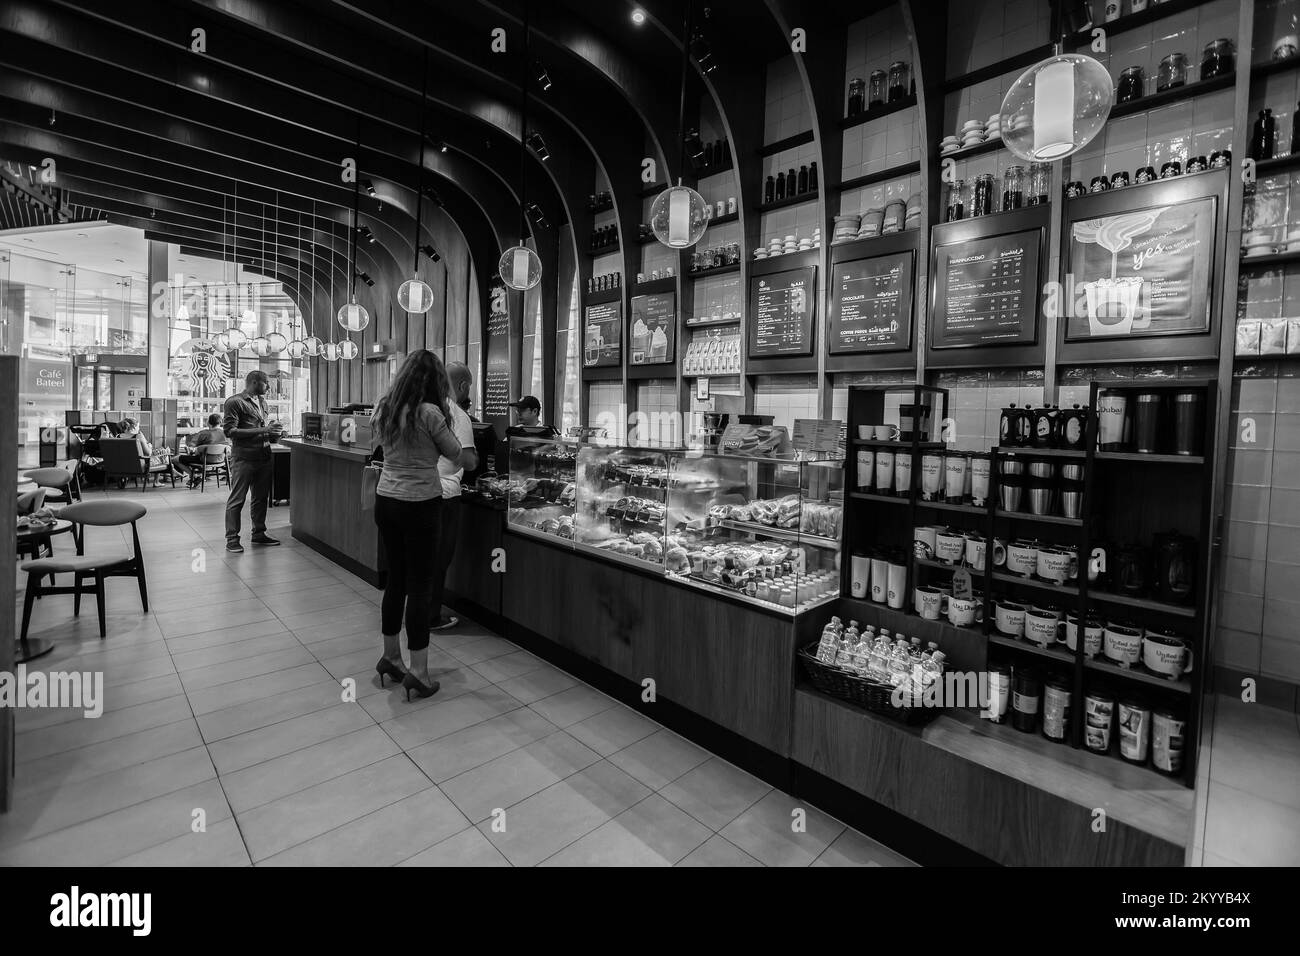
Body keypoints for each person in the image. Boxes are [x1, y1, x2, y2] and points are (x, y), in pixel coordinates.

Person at [370, 349, 472, 700]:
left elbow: (380, 447)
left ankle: (390, 657)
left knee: (396, 582)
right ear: (436, 381)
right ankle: (420, 671)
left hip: (386, 500)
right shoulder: (430, 413)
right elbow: (456, 453)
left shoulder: (384, 407)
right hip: (420, 504)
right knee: (421, 586)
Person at [429, 362, 479, 631]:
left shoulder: (423, 407)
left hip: (417, 492)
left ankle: (417, 612)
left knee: (422, 560)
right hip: (445, 494)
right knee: (439, 559)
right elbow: (467, 460)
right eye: (468, 387)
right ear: (462, 386)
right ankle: (430, 616)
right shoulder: (458, 415)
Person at [222, 370, 283, 553]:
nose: (269, 387)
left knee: (260, 499)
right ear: (255, 382)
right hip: (243, 458)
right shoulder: (234, 402)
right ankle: (232, 539)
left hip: (263, 456)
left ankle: (258, 533)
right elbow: (229, 432)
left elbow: (261, 429)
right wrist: (264, 429)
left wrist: (274, 433)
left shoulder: (263, 402)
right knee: (237, 499)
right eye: (266, 383)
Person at [178, 414, 229, 487]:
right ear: (220, 422)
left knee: (175, 459)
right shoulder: (225, 433)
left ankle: (195, 476)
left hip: (205, 460)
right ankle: (197, 476)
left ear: (208, 422)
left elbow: (191, 446)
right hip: (221, 460)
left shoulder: (204, 433)